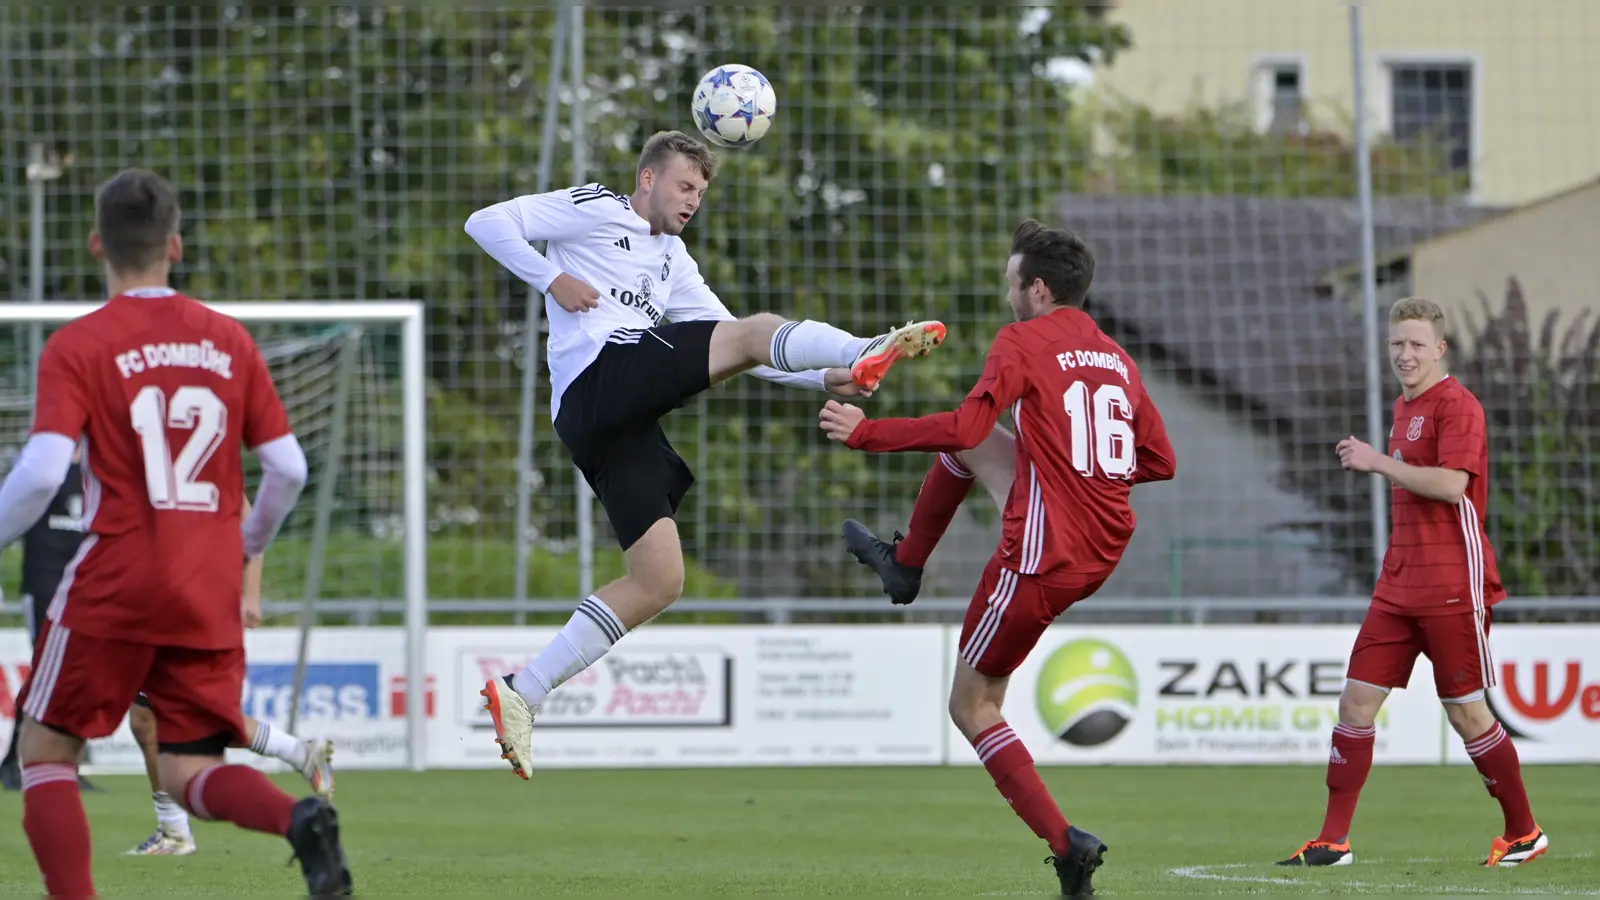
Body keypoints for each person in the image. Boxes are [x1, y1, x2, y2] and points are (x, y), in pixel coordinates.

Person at [463, 129, 948, 779]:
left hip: (614, 424)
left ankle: (524, 691)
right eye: (684, 185)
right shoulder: (597, 206)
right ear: (647, 179)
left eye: (701, 191)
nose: (693, 200)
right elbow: (487, 221)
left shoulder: (675, 260)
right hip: (597, 383)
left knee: (658, 580)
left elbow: (749, 352)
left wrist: (824, 380)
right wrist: (553, 278)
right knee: (754, 330)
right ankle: (867, 343)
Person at [3, 168, 351, 895]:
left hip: (118, 575)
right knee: (189, 767)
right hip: (206, 585)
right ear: (176, 246)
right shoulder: (228, 340)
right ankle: (299, 820)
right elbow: (287, 468)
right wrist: (247, 546)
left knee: (44, 748)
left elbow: (40, 475)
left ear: (98, 244)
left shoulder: (79, 344)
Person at [819, 220, 1177, 896]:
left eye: (1011, 281)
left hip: (1042, 557)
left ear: (1036, 289)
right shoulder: (1114, 358)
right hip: (1099, 543)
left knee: (973, 705)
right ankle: (905, 565)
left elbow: (966, 422)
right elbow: (1160, 460)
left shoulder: (1022, 340)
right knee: (972, 450)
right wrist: (1077, 472)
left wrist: (867, 433)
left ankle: (1067, 845)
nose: (1006, 292)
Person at [1276, 297, 1545, 869]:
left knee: (1467, 713)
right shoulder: (1405, 407)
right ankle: (1333, 841)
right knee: (1354, 702)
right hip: (1398, 587)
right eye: (1397, 343)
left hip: (1453, 583)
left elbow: (1452, 486)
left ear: (1440, 349)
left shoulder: (1459, 405)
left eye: (1417, 344)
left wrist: (1379, 462)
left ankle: (1524, 831)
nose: (1405, 353)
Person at [122, 494, 337, 857]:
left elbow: (256, 508)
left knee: (184, 721)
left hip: (184, 594)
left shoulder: (191, 450)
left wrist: (251, 592)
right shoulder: (144, 452)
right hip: (160, 591)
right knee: (147, 717)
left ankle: (176, 832)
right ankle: (298, 753)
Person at [1, 448, 99, 793]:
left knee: (77, 675)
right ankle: (13, 760)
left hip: (83, 586)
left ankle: (66, 763)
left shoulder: (98, 464)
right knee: (45, 670)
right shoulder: (40, 466)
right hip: (43, 582)